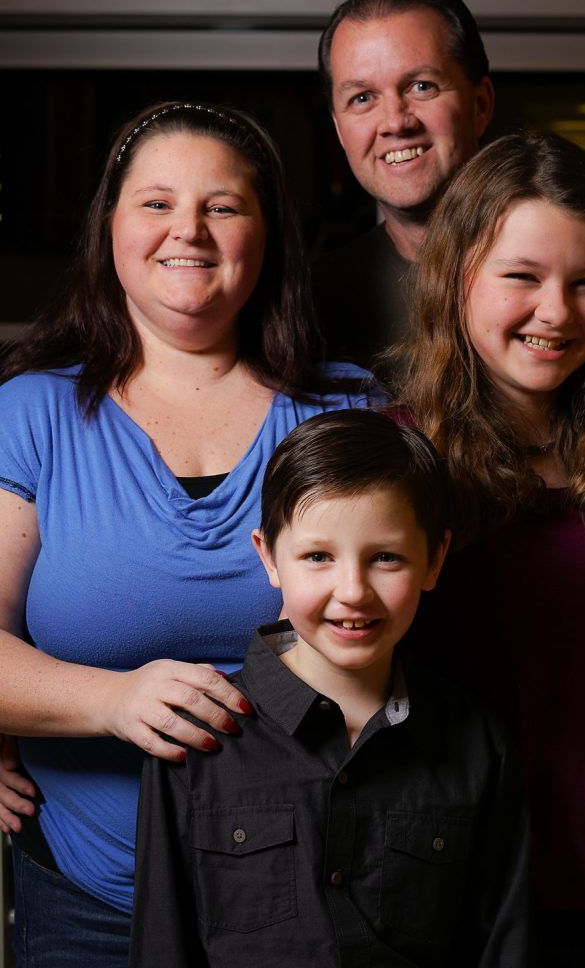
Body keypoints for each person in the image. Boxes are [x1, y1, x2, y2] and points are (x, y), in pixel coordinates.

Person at [0, 100, 372, 966]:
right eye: (157, 202)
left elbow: (426, 629)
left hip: (312, 886)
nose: (189, 231)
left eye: (224, 206)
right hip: (92, 899)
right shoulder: (30, 415)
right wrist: (108, 701)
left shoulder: (348, 410)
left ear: (269, 234)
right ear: (112, 229)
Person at [395, 130, 585, 966]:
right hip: (469, 894)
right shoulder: (397, 463)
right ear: (456, 280)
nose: (555, 312)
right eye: (520, 277)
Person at [129, 408, 532, 968]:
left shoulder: (479, 744)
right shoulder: (195, 738)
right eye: (318, 557)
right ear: (268, 556)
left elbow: (500, 944)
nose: (353, 592)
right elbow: (163, 945)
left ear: (435, 559)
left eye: (385, 558)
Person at [313, 0, 494, 367]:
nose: (395, 122)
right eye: (362, 98)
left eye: (422, 87)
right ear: (339, 129)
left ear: (480, 105)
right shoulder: (310, 306)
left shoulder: (578, 274)